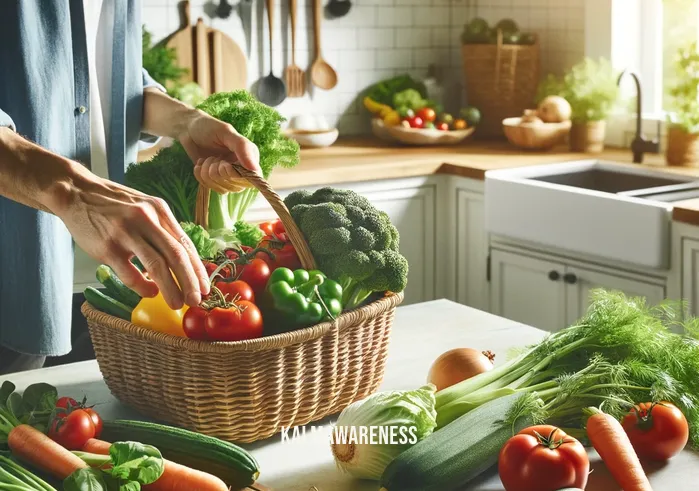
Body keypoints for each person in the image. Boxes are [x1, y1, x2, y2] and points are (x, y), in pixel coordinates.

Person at [0, 1, 260, 374]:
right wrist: (71, 191)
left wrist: (185, 121)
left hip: (114, 284)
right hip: (20, 274)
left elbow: (108, 76)